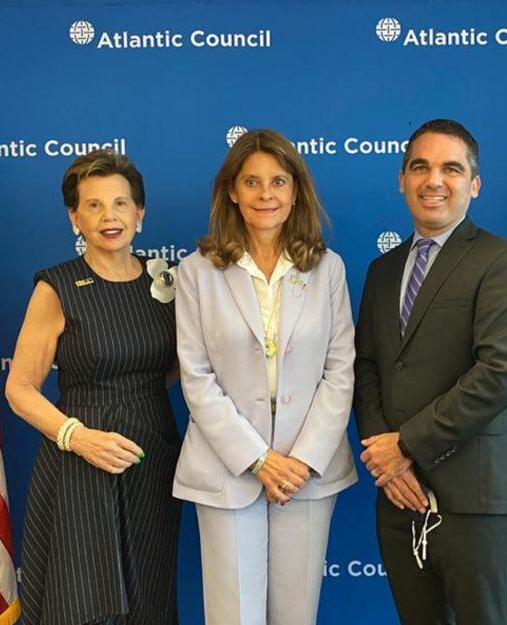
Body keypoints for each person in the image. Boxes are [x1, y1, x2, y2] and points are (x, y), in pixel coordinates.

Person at [354, 119, 507, 625]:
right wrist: (388, 463)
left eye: (451, 169)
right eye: (420, 167)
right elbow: (366, 369)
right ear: (402, 179)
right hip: (399, 497)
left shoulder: (502, 262)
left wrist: (406, 446)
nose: (433, 180)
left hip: (472, 499)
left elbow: (497, 375)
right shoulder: (381, 271)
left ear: (474, 184)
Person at [173, 129, 357, 625]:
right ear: (232, 191)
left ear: (296, 190)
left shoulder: (328, 269)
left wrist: (301, 461)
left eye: (278, 181)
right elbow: (196, 376)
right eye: (251, 182)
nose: (265, 194)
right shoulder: (196, 272)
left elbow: (340, 371)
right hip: (228, 468)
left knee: (297, 615)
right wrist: (258, 459)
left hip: (306, 472)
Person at [7, 149, 181, 625]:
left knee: (150, 597)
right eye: (94, 205)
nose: (110, 217)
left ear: (140, 212)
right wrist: (78, 437)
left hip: (151, 455)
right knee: (83, 600)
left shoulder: (167, 280)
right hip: (80, 464)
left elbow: (172, 367)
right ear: (75, 217)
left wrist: (135, 400)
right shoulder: (56, 287)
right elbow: (20, 389)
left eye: (121, 203)